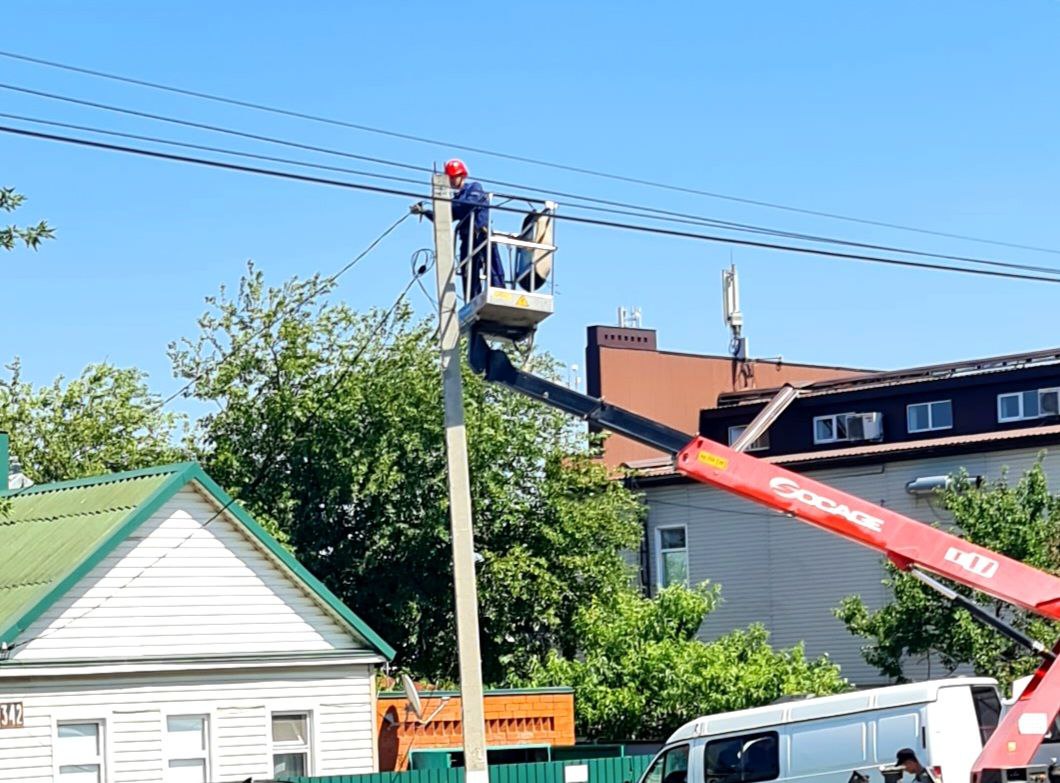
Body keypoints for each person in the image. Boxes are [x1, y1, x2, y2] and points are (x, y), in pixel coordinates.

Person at [412, 159, 505, 298]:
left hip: (481, 233)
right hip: (467, 238)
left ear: (462, 175)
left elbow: (468, 204)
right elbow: (445, 217)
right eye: (450, 178)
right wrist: (425, 211)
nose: (452, 181)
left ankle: (500, 293)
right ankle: (473, 298)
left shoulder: (474, 187)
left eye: (454, 177)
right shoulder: (456, 198)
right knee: (468, 270)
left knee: (491, 264)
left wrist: (448, 204)